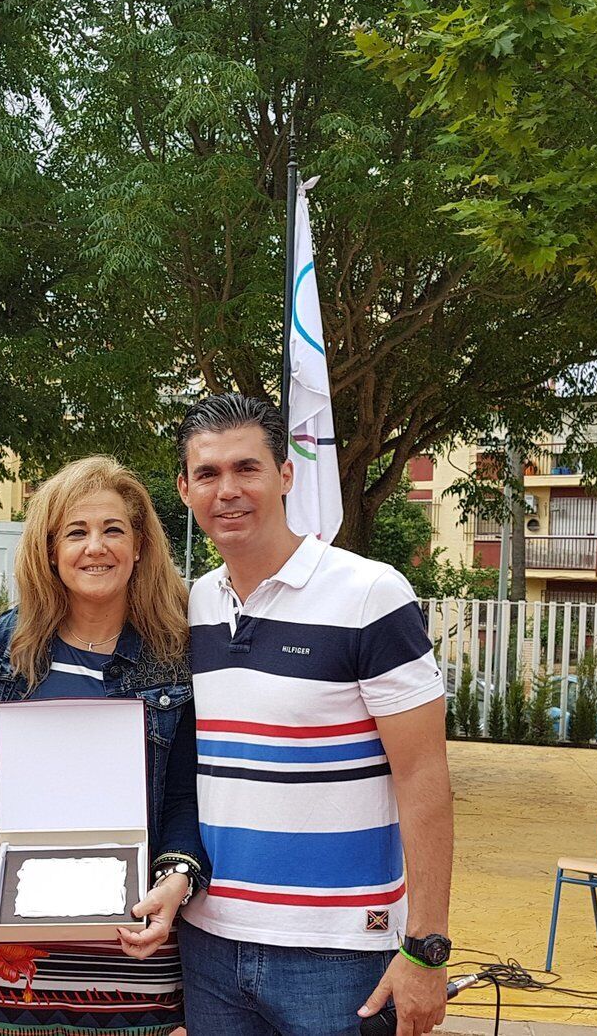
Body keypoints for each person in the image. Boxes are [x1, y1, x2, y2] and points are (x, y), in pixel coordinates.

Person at [174, 394, 454, 1036]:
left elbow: (423, 776)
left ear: (285, 475)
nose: (227, 490)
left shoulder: (371, 594)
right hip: (210, 943)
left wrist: (426, 948)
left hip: (341, 951)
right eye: (208, 473)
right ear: (185, 490)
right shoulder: (193, 606)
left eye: (246, 468)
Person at [0, 455, 208, 1036]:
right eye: (75, 532)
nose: (95, 547)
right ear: (50, 550)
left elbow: (186, 793)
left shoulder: (179, 653)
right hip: (24, 935)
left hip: (136, 928)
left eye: (112, 530)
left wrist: (178, 875)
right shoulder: (0, 649)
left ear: (140, 545)